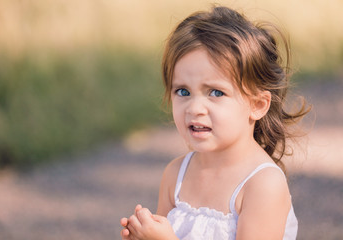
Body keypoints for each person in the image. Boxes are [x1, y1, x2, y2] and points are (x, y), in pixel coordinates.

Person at [120, 5, 309, 240]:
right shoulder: (176, 174)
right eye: (182, 91)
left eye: (216, 93)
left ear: (257, 105)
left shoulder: (262, 185)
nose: (195, 108)